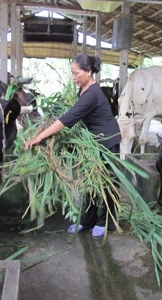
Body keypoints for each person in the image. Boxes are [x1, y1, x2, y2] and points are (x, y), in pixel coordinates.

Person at [24, 54, 121, 237]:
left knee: (107, 183)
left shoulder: (92, 94)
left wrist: (38, 137)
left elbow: (67, 119)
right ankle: (87, 220)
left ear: (88, 72)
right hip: (94, 141)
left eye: (76, 73)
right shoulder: (84, 89)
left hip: (107, 141)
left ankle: (107, 221)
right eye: (72, 73)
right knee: (90, 182)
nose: (74, 77)